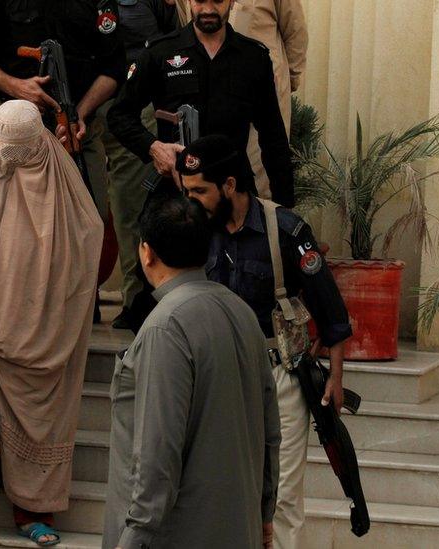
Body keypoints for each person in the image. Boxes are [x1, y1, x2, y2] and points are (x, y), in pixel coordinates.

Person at [0, 100, 103, 546]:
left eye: (22, 150)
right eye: (4, 148)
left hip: (45, 332)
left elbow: (86, 248)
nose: (10, 159)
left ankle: (33, 507)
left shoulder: (64, 188)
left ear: (41, 143)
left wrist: (39, 304)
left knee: (43, 415)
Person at [179, 135, 352, 549]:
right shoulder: (195, 231)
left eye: (200, 190)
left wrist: (337, 378)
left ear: (231, 185)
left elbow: (331, 309)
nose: (193, 201)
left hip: (281, 376)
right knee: (219, 485)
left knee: (284, 496)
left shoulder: (287, 230)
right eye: (188, 192)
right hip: (217, 376)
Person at [103, 196, 280, 549]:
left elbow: (156, 456)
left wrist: (132, 540)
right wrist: (264, 511)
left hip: (175, 534)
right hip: (234, 526)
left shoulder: (165, 328)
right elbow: (270, 432)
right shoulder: (242, 313)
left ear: (146, 252)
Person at [107, 0, 294, 207]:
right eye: (200, 0)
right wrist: (153, 147)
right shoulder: (161, 53)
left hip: (233, 195)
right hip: (179, 197)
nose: (208, 9)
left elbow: (273, 138)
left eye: (217, 0)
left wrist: (283, 210)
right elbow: (119, 116)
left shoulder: (253, 58)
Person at [0, 0, 126, 215]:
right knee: (16, 220)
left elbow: (113, 68)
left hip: (77, 131)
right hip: (17, 133)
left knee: (90, 218)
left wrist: (80, 112)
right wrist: (17, 87)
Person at [98, 0, 180, 329]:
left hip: (136, 106)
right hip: (86, 104)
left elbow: (172, 43)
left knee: (131, 206)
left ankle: (137, 300)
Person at [176, 0, 308, 198]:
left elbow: (295, 31)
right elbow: (187, 22)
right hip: (208, 98)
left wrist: (287, 80)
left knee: (259, 182)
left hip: (259, 91)